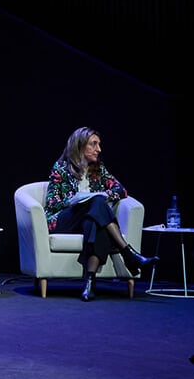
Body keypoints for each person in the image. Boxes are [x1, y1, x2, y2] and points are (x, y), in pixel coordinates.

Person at [44, 126, 159, 301]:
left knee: (96, 221)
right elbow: (52, 204)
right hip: (64, 220)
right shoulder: (61, 168)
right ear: (80, 145)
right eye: (94, 144)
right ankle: (128, 253)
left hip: (87, 219)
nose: (99, 149)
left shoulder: (99, 169)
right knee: (97, 203)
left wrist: (104, 195)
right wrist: (74, 200)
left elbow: (121, 190)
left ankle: (89, 283)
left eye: (99, 144)